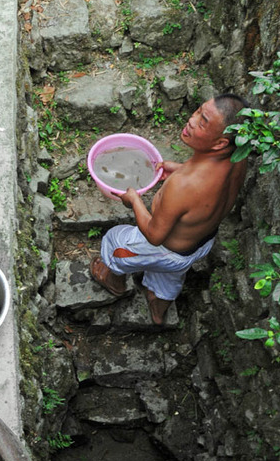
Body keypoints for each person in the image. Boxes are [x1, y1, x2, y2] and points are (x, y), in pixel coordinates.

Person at [89, 94, 249, 325]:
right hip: (201, 243)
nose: (192, 120)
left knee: (115, 242)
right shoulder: (238, 156)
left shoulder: (183, 186)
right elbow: (210, 181)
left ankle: (115, 282)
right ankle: (158, 309)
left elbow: (154, 236)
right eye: (197, 111)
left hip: (164, 248)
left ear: (219, 143)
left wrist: (134, 200)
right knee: (170, 275)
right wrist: (181, 168)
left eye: (203, 121)